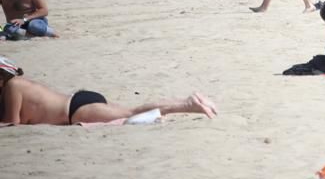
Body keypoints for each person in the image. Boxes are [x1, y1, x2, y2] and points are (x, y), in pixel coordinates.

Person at [0, 56, 216, 125]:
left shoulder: (13, 86)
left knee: (132, 113)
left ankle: (187, 105)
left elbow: (12, 123)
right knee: (131, 111)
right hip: (79, 101)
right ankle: (186, 102)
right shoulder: (19, 83)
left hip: (75, 110)